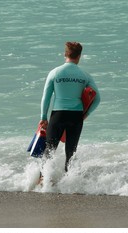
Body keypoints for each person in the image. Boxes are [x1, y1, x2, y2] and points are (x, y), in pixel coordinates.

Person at [39, 42, 100, 172]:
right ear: (79, 56)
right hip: (76, 116)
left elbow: (46, 97)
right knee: (71, 153)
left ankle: (44, 181)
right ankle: (68, 184)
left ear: (65, 54)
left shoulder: (55, 72)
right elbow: (97, 98)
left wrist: (43, 117)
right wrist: (85, 115)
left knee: (49, 150)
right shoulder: (84, 75)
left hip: (58, 115)